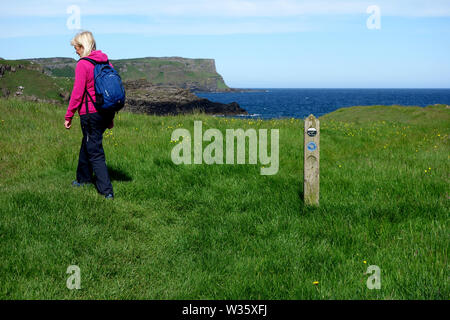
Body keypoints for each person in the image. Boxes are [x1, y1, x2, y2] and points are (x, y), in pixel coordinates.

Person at [64, 31, 115, 199]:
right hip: (104, 112)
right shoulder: (106, 62)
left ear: (83, 46)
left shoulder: (83, 64)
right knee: (87, 143)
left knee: (95, 151)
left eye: (76, 48)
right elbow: (111, 93)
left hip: (90, 114)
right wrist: (110, 118)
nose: (76, 51)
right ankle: (83, 179)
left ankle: (106, 191)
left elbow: (77, 94)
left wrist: (69, 115)